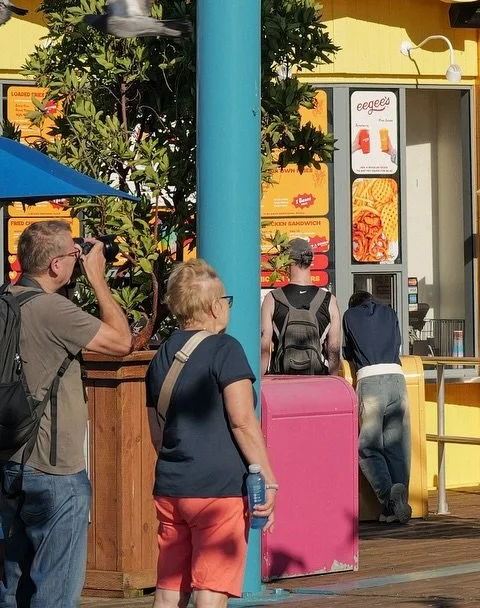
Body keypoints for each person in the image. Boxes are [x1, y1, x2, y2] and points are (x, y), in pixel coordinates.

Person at [0, 222, 133, 608]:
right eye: (74, 257)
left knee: (12, 588)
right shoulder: (54, 310)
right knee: (55, 593)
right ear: (56, 265)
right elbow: (122, 341)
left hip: (9, 462)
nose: (78, 262)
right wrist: (97, 279)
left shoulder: (6, 298)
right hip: (54, 472)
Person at [146, 260, 279, 607]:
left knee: (168, 590)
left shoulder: (160, 355)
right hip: (218, 492)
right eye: (226, 300)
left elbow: (157, 435)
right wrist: (270, 478)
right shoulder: (226, 350)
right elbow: (242, 422)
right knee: (211, 590)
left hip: (172, 487)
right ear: (212, 306)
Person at [342, 289, 411, 525]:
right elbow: (399, 342)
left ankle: (388, 497)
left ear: (354, 304)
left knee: (368, 447)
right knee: (397, 447)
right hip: (397, 378)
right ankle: (397, 507)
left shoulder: (350, 316)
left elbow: (348, 352)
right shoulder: (390, 313)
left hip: (370, 380)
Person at [259, 241, 341, 376]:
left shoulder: (272, 298)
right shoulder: (328, 300)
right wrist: (333, 380)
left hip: (282, 382)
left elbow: (264, 350)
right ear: (311, 261)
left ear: (288, 261)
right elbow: (333, 349)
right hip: (317, 382)